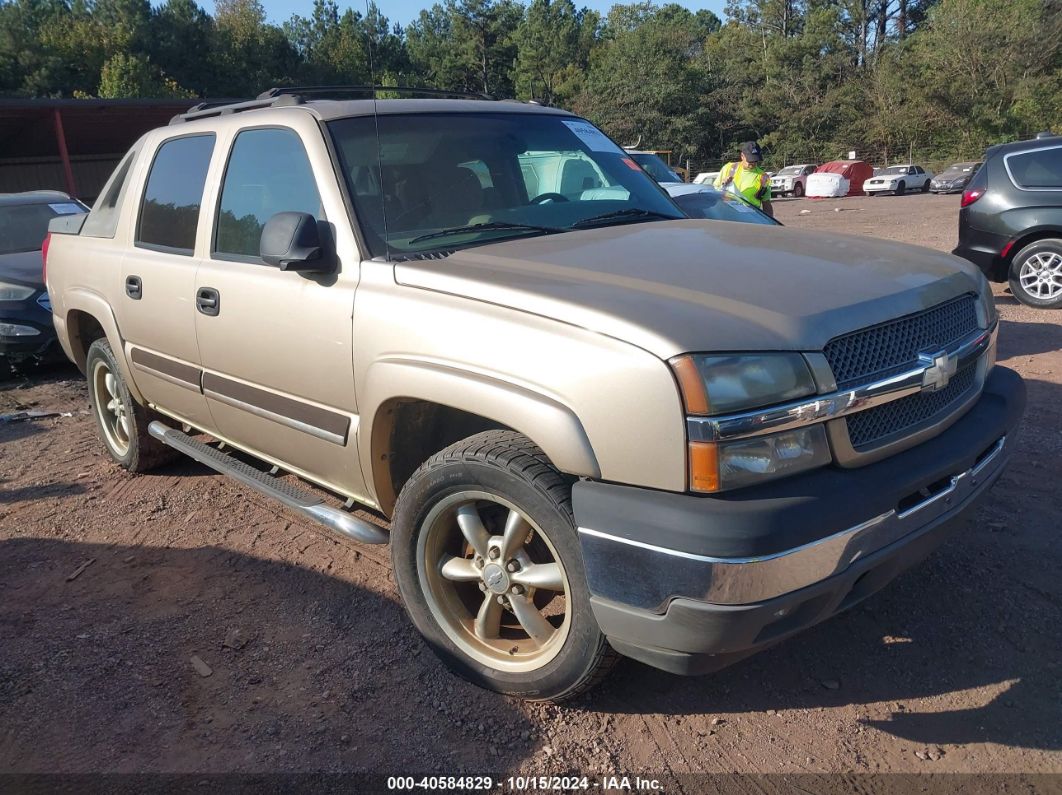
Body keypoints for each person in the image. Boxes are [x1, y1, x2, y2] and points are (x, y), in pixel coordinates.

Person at [714, 141, 773, 217]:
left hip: (750, 217)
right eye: (750, 160)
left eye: (755, 160)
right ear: (742, 156)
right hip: (727, 214)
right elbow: (714, 192)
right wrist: (722, 184)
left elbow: (766, 204)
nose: (753, 163)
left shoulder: (764, 177)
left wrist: (770, 224)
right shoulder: (728, 169)